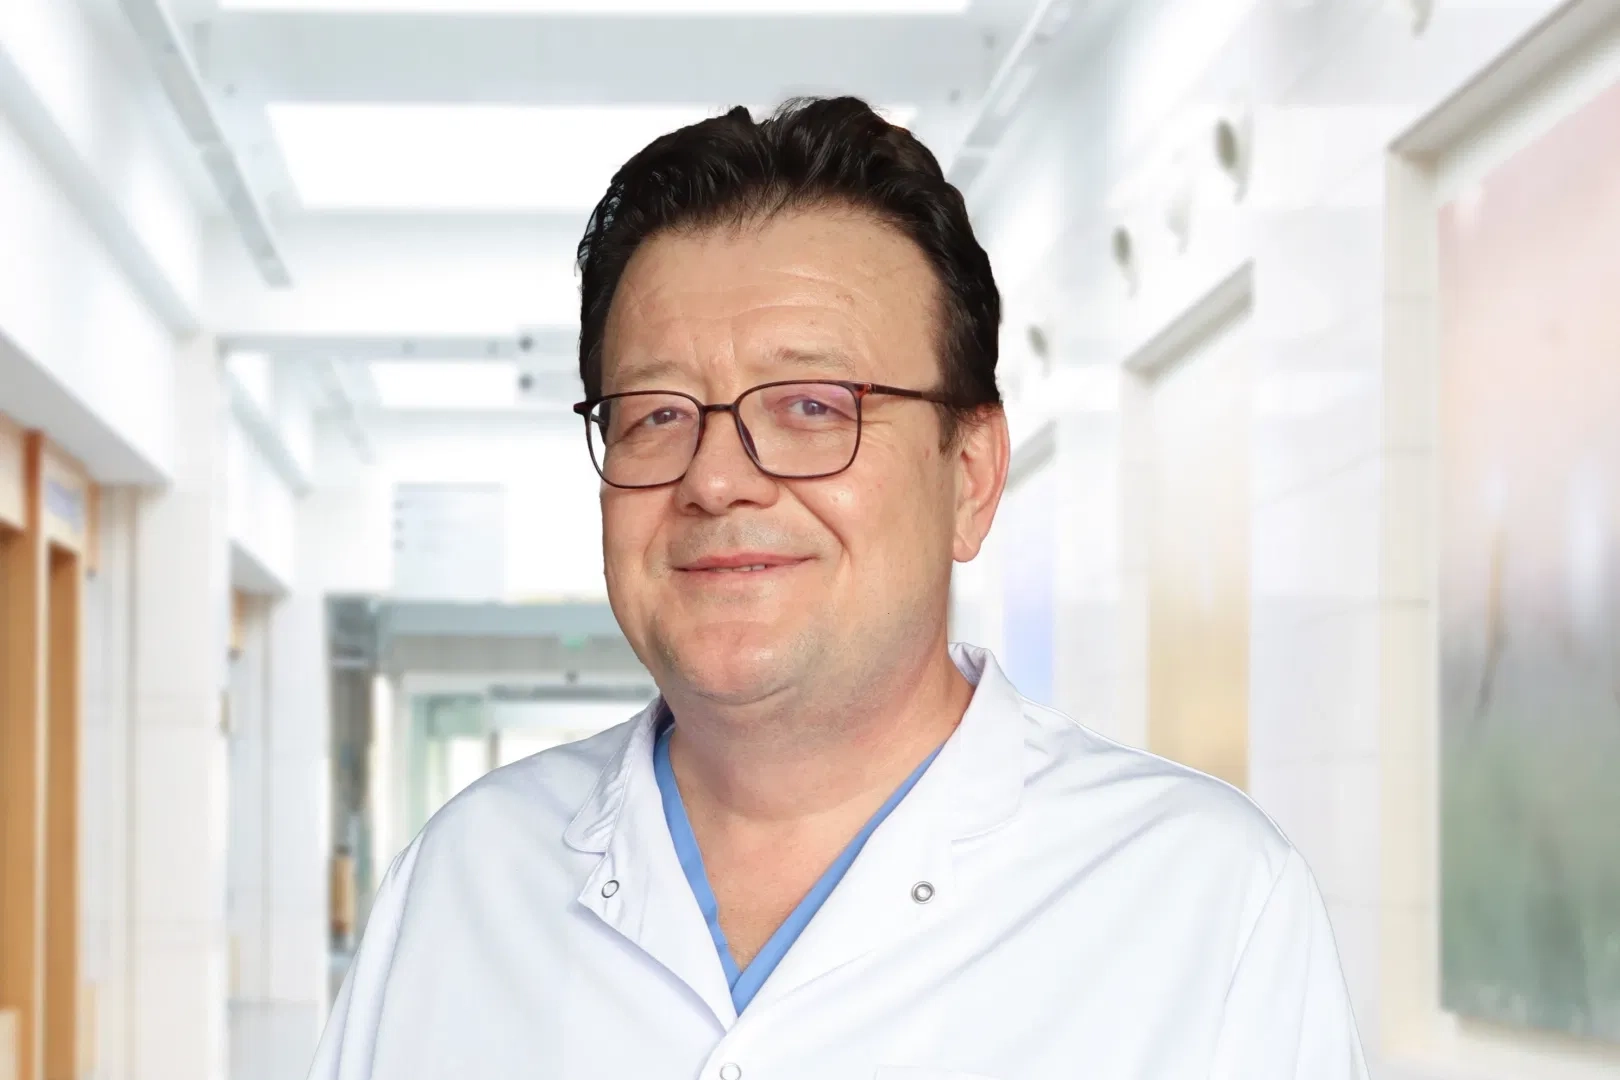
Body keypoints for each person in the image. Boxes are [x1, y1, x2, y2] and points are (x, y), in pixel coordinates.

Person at [308, 97, 1369, 1080]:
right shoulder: (462, 884)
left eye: (813, 407)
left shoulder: (1206, 905)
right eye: (657, 415)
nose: (715, 479)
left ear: (970, 476)